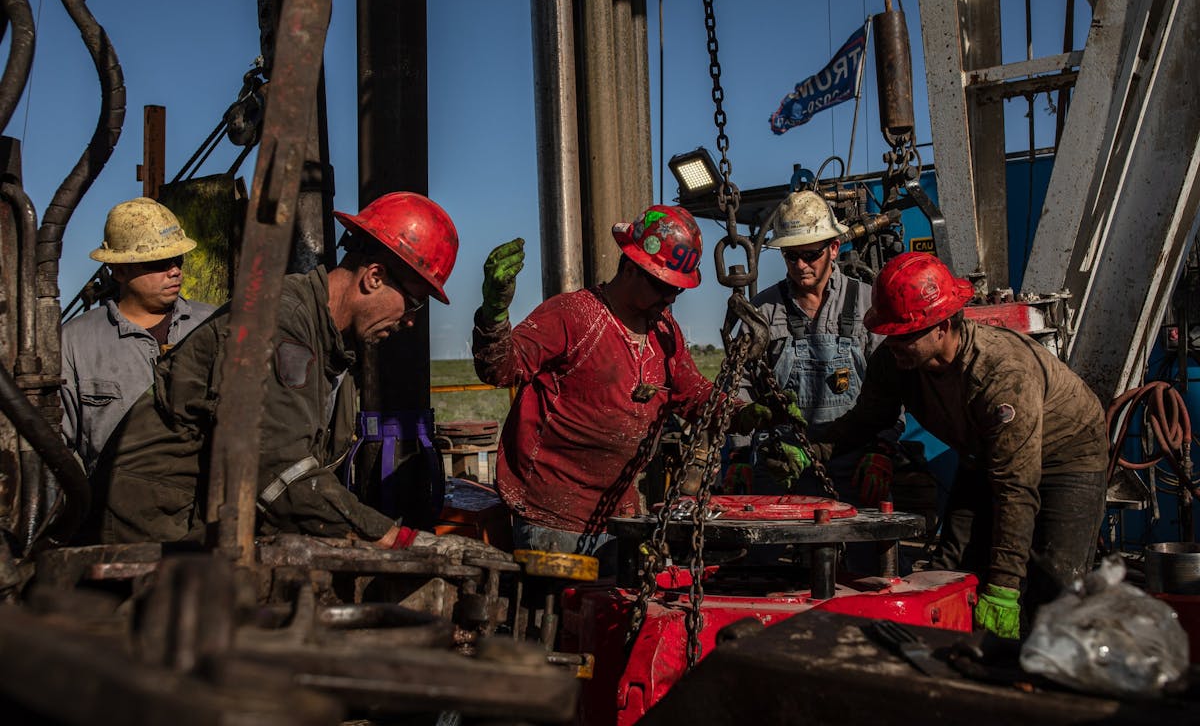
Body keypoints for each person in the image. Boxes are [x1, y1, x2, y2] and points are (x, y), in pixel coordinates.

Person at [94, 192, 504, 559]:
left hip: (196, 532)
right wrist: (394, 540)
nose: (410, 322)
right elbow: (279, 472)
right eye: (413, 303)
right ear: (374, 277)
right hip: (152, 533)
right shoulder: (281, 324)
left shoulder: (331, 346)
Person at [797, 252, 1108, 639]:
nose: (893, 342)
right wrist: (812, 448)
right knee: (950, 568)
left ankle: (1048, 682)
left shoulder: (1000, 372)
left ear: (942, 326)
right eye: (888, 332)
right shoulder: (895, 362)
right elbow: (865, 422)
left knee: (1053, 587)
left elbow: (1015, 488)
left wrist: (1005, 590)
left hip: (1067, 456)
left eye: (905, 333)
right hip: (985, 453)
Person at [473, 204, 770, 561]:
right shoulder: (573, 316)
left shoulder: (665, 332)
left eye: (678, 289)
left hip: (620, 516)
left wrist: (740, 413)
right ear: (631, 267)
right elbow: (502, 369)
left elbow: (692, 393)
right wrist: (493, 315)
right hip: (554, 520)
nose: (671, 297)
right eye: (663, 285)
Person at [733, 190, 901, 503]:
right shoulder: (764, 310)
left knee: (865, 550)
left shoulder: (867, 303)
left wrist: (883, 450)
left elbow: (892, 385)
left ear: (834, 248)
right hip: (779, 463)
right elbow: (741, 386)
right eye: (790, 256)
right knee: (762, 549)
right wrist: (739, 456)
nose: (800, 265)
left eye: (810, 255)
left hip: (854, 460)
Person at [61, 197, 217, 473]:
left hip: (203, 507)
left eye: (177, 259)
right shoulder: (75, 343)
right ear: (120, 270)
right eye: (158, 263)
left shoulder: (214, 325)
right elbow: (58, 449)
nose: (175, 271)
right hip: (114, 508)